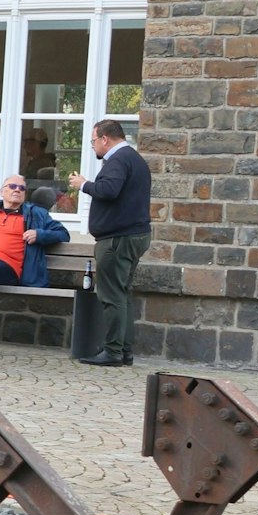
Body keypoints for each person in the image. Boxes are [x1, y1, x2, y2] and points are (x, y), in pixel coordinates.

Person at [70, 119, 151, 367]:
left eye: (93, 141)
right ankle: (123, 350)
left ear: (105, 138)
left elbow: (109, 190)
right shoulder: (133, 158)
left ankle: (113, 351)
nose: (93, 147)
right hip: (132, 235)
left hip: (117, 239)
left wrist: (83, 184)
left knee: (111, 294)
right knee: (122, 293)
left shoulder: (118, 159)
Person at [0, 173, 71, 352]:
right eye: (13, 187)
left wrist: (40, 234)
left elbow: (63, 234)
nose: (17, 190)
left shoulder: (35, 213)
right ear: (2, 191)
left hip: (8, 266)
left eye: (21, 188)